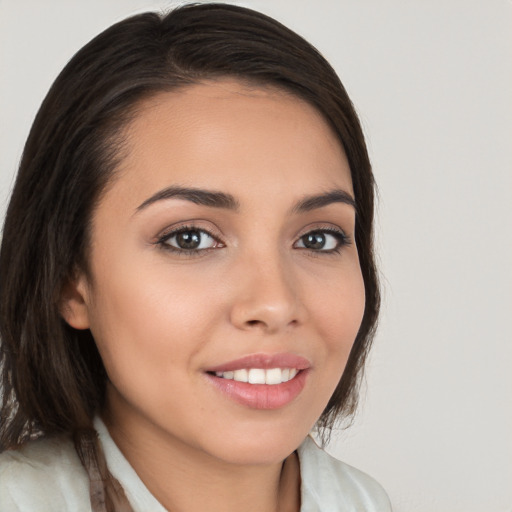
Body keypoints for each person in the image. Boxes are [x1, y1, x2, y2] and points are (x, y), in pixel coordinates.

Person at [0, 3, 391, 511]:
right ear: (70, 279)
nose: (274, 303)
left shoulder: (363, 502)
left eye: (317, 238)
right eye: (190, 238)